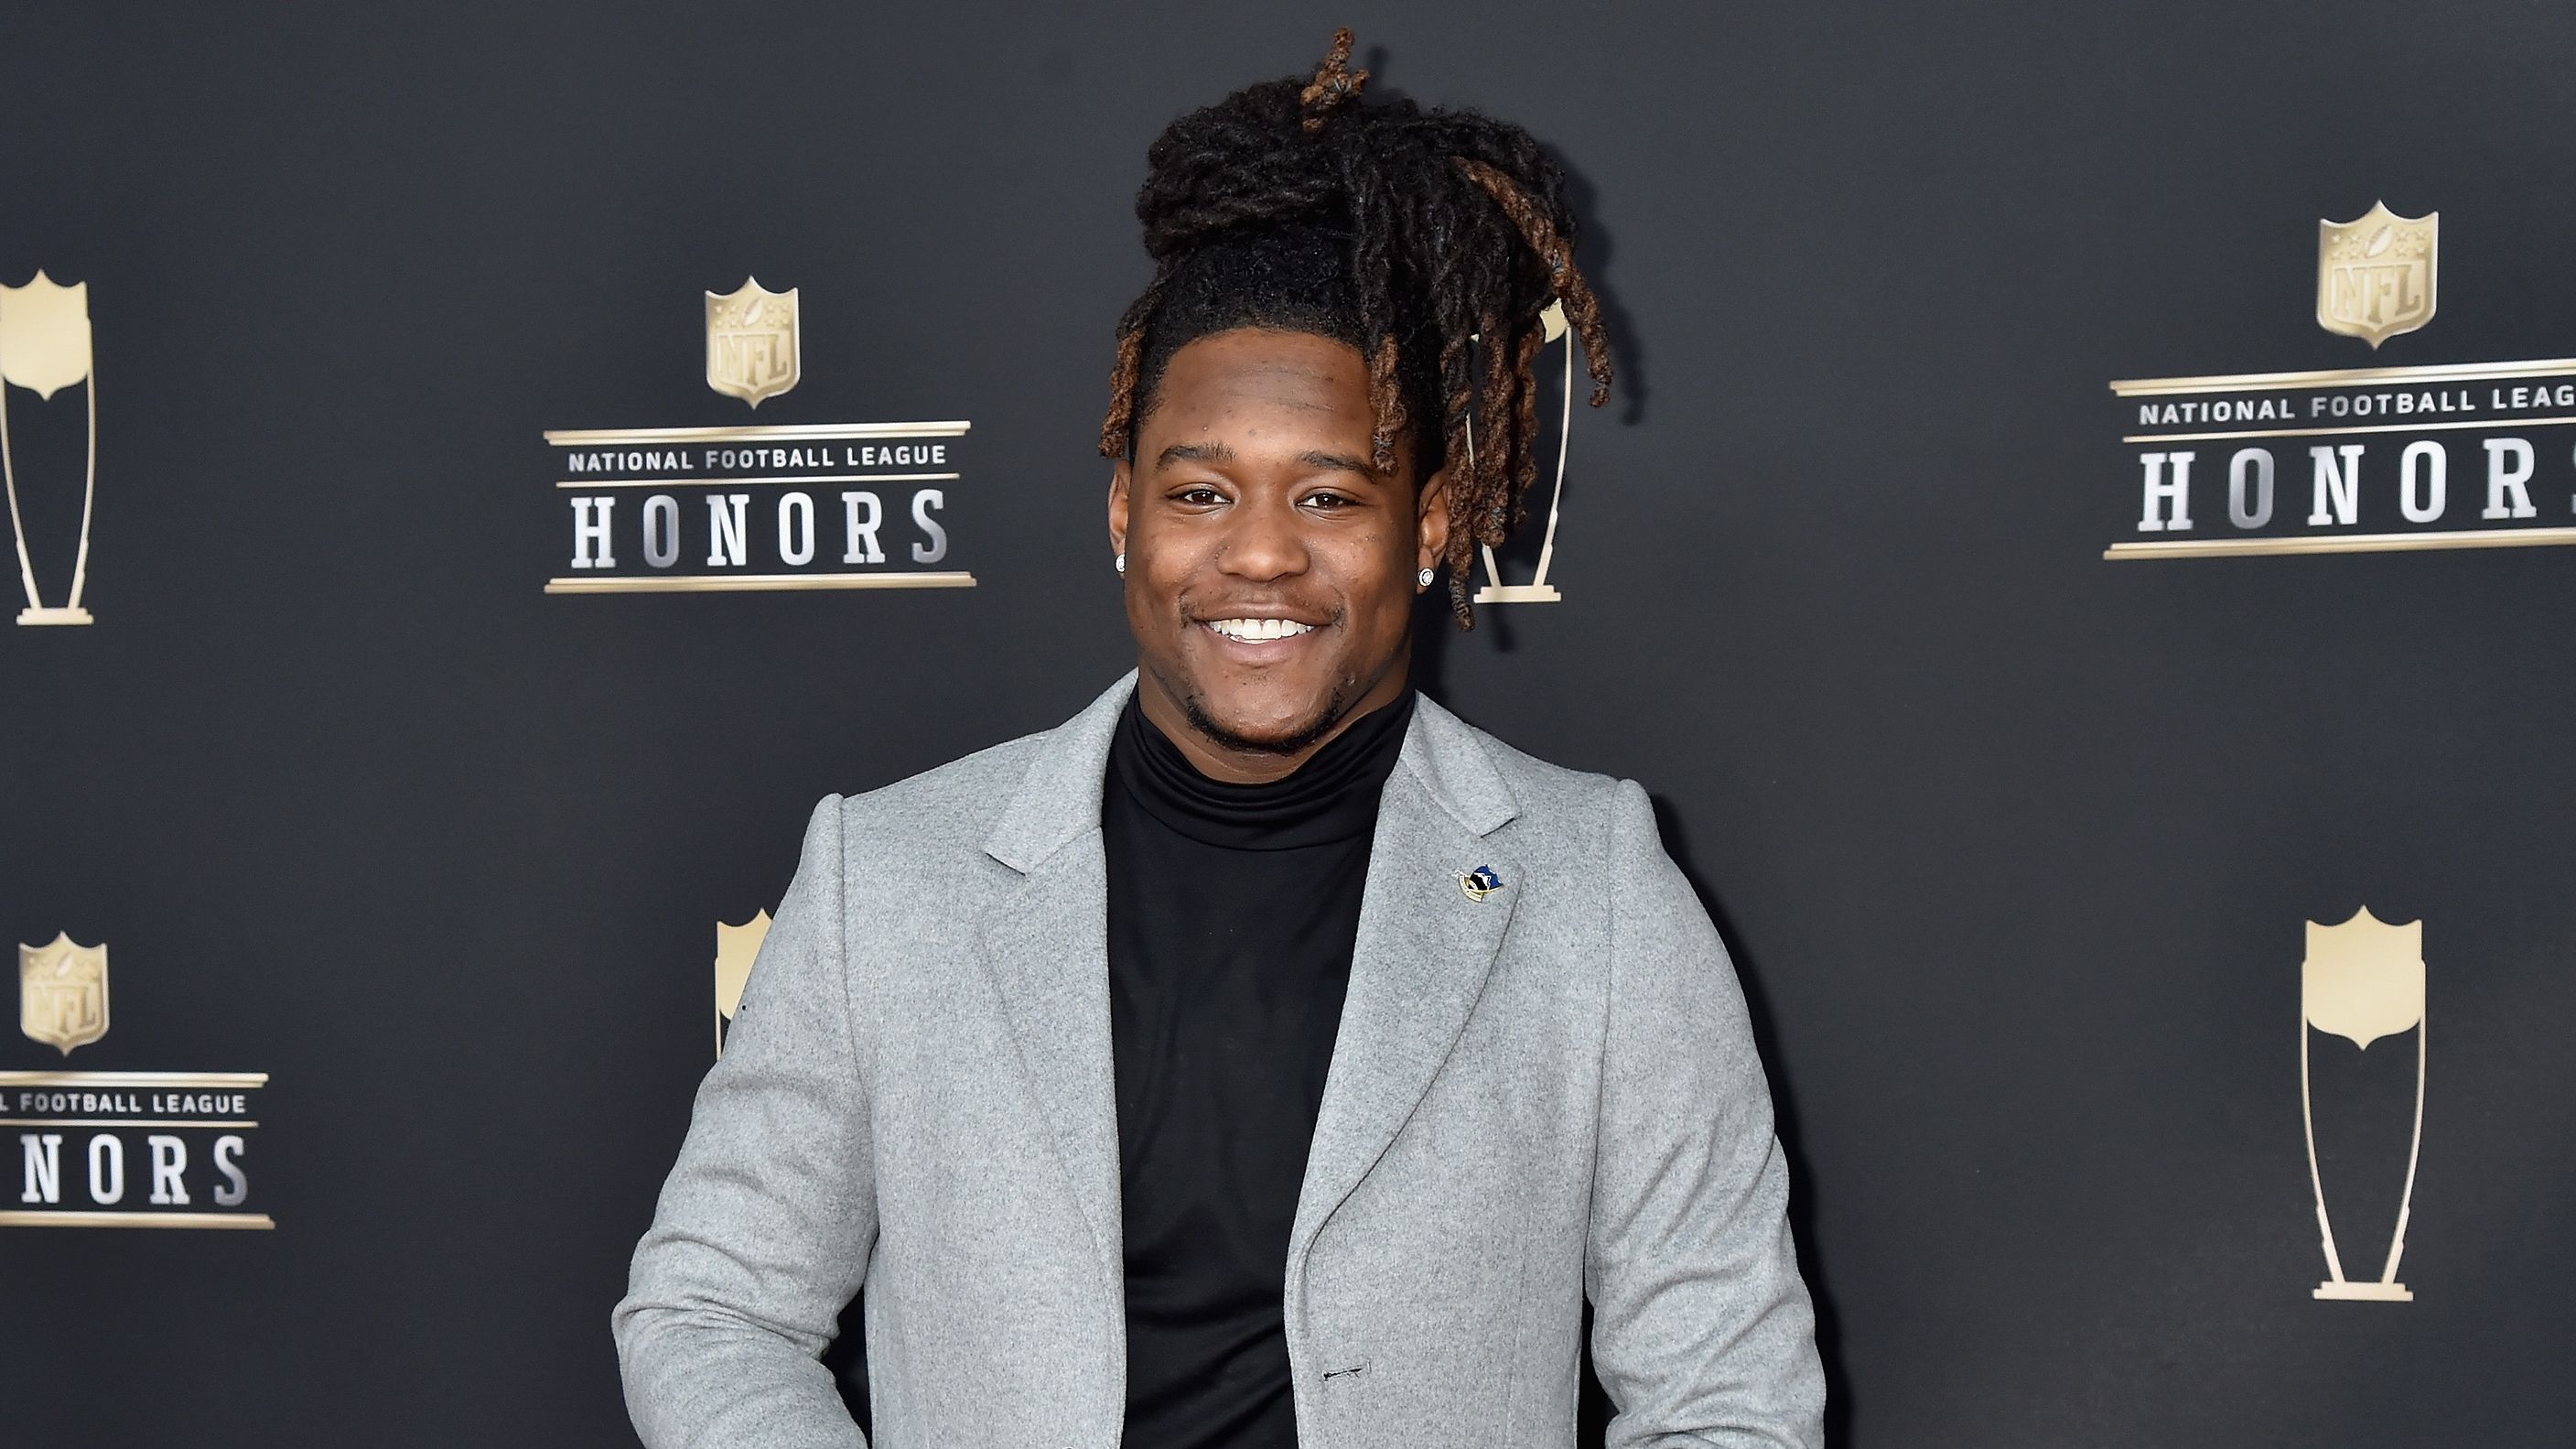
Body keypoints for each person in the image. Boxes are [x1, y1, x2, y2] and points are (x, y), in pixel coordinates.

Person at [615, 29, 1824, 1449]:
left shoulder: (1596, 892)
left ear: (1429, 526)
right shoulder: (891, 877)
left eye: (1328, 498)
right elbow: (710, 1310)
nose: (1260, 559)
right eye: (1200, 494)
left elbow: (1727, 1394)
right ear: (1125, 513)